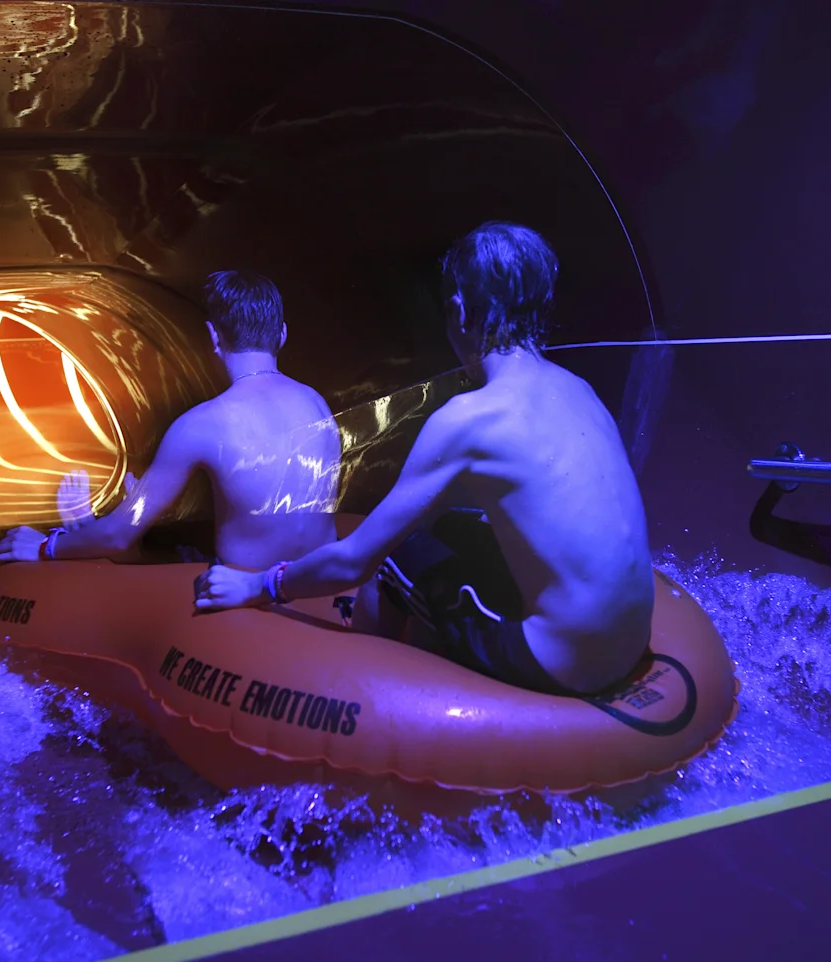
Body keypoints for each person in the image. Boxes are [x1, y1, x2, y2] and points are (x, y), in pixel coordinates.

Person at [193, 222, 655, 696]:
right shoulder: (580, 391)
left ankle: (356, 696)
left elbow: (356, 560)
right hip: (628, 640)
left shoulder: (469, 419)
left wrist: (258, 586)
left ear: (457, 309)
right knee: (448, 528)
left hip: (566, 662)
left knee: (397, 557)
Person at [0, 271, 340, 568]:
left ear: (214, 337)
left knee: (129, 543)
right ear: (281, 334)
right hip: (317, 586)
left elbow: (120, 535)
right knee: (180, 551)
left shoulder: (201, 424)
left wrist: (44, 547)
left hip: (249, 594)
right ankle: (94, 532)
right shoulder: (318, 404)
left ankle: (87, 531)